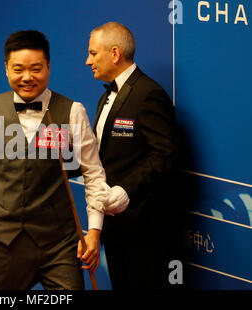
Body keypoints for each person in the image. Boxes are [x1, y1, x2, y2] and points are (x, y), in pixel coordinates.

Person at [0, 30, 125, 290]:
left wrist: (94, 231)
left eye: (36, 69)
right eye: (18, 69)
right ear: (6, 69)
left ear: (49, 67)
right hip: (5, 244)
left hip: (60, 246)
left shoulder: (73, 112)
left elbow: (93, 174)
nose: (27, 77)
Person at [85, 22, 179, 289]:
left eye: (93, 53)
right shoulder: (104, 98)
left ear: (114, 54)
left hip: (144, 229)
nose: (87, 60)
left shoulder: (149, 94)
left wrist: (127, 189)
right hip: (114, 227)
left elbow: (166, 154)